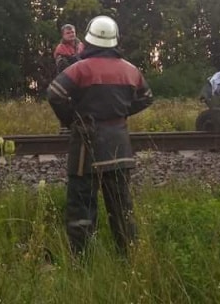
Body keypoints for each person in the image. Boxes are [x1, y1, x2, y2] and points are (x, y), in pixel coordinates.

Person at [46, 15, 153, 257]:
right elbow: (146, 97)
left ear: (89, 39)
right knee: (122, 208)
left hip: (86, 149)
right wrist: (122, 111)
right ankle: (129, 257)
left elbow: (54, 94)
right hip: (120, 147)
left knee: (81, 207)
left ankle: (82, 261)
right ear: (115, 41)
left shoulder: (80, 69)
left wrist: (72, 118)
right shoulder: (131, 70)